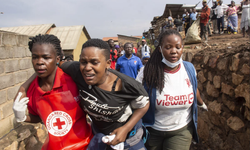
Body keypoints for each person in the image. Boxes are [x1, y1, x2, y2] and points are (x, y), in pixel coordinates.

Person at [60, 39, 149, 150]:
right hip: (99, 136)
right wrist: (30, 83)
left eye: (94, 62)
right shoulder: (76, 71)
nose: (87, 68)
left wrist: (126, 129)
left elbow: (144, 104)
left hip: (128, 139)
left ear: (108, 63)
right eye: (83, 62)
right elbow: (53, 65)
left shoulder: (126, 85)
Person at [12, 34, 93, 150]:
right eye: (35, 57)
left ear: (58, 58)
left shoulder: (73, 80)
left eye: (46, 57)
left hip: (84, 144)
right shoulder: (31, 91)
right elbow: (39, 117)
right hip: (54, 147)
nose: (39, 62)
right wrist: (22, 117)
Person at [136, 29, 208, 150]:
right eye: (168, 47)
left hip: (181, 130)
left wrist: (201, 104)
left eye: (178, 47)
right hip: (152, 131)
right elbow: (136, 96)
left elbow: (193, 89)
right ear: (160, 49)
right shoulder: (147, 72)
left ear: (182, 48)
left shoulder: (189, 69)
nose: (174, 51)